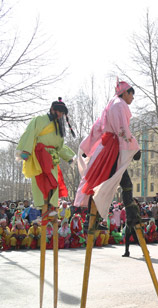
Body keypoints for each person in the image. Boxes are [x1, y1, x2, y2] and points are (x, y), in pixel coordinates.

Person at [74, 80, 142, 233]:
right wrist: (134, 147)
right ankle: (131, 214)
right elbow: (123, 130)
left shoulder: (110, 104)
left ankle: (91, 219)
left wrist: (88, 146)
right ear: (125, 93)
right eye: (132, 94)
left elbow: (97, 127)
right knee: (121, 183)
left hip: (105, 148)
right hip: (112, 149)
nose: (132, 98)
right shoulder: (119, 104)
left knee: (103, 181)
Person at [16, 98, 75, 210]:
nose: (60, 115)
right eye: (59, 112)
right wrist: (25, 151)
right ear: (52, 109)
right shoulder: (39, 120)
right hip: (39, 156)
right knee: (41, 183)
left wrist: (69, 158)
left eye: (62, 113)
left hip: (52, 157)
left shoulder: (59, 128)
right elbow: (29, 133)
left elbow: (60, 146)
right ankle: (43, 207)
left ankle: (52, 207)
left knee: (53, 182)